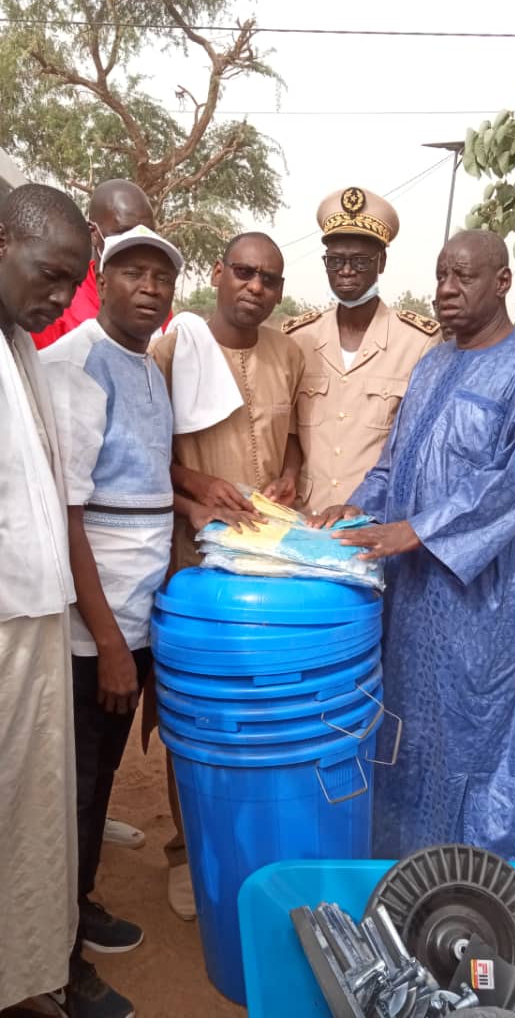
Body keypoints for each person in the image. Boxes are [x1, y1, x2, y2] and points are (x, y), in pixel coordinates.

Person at [312, 230, 515, 861]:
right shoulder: (431, 365)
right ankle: (399, 883)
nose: (447, 291)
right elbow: (395, 460)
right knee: (405, 738)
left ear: (503, 282)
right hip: (409, 601)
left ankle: (467, 898)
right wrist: (361, 503)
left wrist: (418, 530)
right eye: (440, 277)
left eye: (463, 277)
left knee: (472, 746)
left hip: (481, 609)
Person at [41, 224, 184, 1018]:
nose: (149, 289)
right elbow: (66, 516)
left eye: (162, 277)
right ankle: (55, 964)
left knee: (91, 798)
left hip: (130, 623)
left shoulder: (145, 365)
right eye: (132, 272)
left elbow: (146, 477)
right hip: (88, 632)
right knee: (73, 791)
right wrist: (105, 641)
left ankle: (78, 904)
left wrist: (197, 491)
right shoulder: (76, 366)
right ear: (104, 278)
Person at [151, 230, 305, 918]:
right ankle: (188, 851)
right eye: (243, 273)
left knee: (259, 711)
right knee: (191, 711)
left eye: (269, 279)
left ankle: (250, 847)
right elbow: (141, 449)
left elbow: (295, 439)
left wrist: (294, 475)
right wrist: (195, 479)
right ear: (218, 273)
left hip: (270, 565)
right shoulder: (172, 347)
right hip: (193, 562)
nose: (255, 288)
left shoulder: (288, 352)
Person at [0, 184, 90, 1012]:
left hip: (33, 615)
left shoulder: (17, 343)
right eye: (51, 273)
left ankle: (24, 975)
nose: (61, 298)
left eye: (72, 282)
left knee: (32, 813)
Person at [282, 186, 440, 512]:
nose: (346, 270)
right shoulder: (298, 338)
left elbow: (417, 446)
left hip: (373, 523)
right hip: (303, 520)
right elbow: (289, 434)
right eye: (336, 260)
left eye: (360, 260)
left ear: (381, 262)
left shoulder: (420, 341)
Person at [31, 178, 155, 351]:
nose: (138, 246)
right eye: (125, 234)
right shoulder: (57, 303)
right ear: (92, 233)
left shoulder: (156, 297)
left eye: (148, 236)